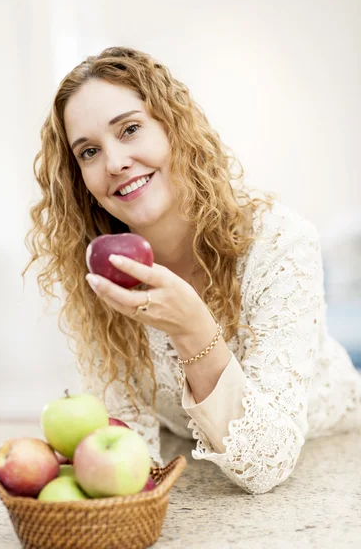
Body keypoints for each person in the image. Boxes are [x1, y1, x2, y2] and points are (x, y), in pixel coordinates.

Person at [23, 47, 361, 495]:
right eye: (88, 151)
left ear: (174, 129)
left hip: (331, 459)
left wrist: (193, 330)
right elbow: (128, 439)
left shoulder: (278, 242)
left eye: (130, 129)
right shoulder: (99, 265)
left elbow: (267, 465)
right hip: (199, 462)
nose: (114, 162)